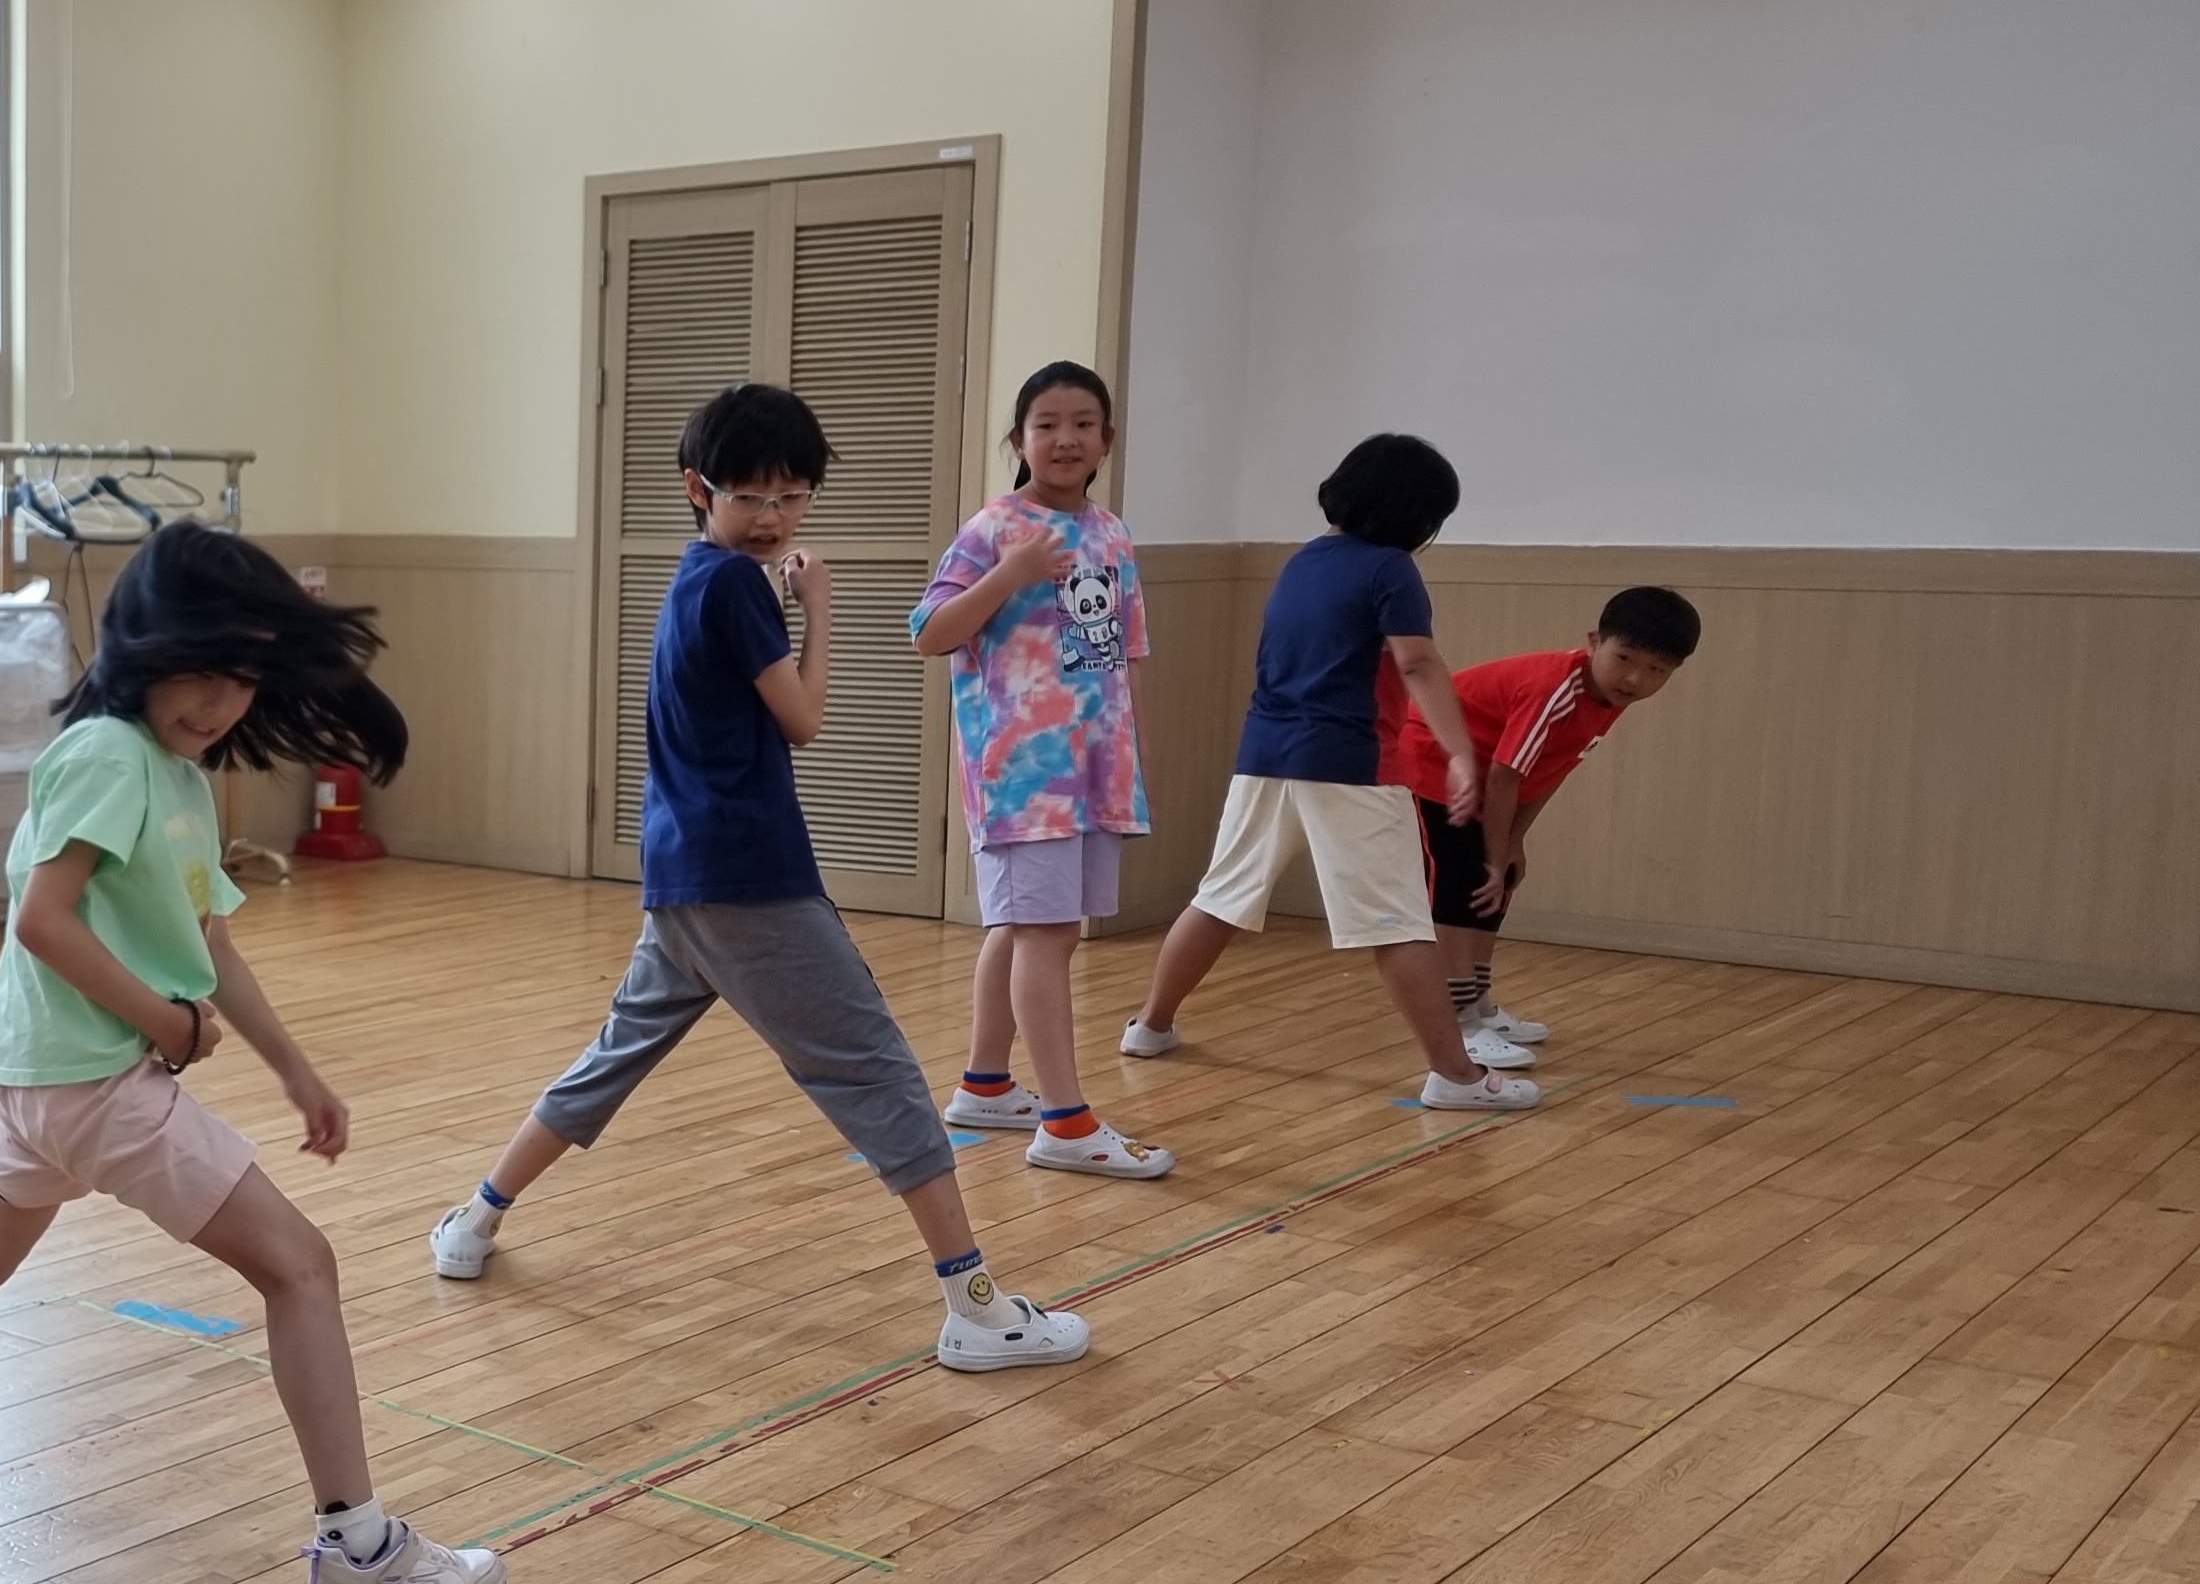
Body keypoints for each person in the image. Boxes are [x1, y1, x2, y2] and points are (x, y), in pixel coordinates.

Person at [0, 522, 509, 1584]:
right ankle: (358, 1550)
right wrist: (165, 1024)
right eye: (202, 669)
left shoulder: (174, 774)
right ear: (144, 645)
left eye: (245, 678)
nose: (221, 701)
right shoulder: (106, 753)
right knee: (302, 1269)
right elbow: (41, 920)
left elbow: (207, 942)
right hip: (95, 1086)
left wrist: (295, 1071)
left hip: (45, 1084)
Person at [431, 383, 1087, 1374]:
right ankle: (978, 1309)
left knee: (613, 1055)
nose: (772, 517)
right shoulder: (739, 587)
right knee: (877, 1073)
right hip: (749, 881)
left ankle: (474, 1220)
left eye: (791, 496)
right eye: (749, 496)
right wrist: (818, 609)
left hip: (683, 877)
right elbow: (804, 719)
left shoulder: (692, 577)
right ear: (698, 489)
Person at [1121, 433, 1538, 1111]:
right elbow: (1417, 662)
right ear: (1417, 515)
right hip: (1351, 765)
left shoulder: (1302, 563)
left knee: (1220, 897)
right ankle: (1456, 1077)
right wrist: (1461, 751)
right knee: (1398, 923)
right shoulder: (1392, 569)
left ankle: (1150, 1025)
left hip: (1265, 757)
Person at [913, 359, 1170, 1178]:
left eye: (1083, 424)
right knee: (1046, 935)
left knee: (1024, 929)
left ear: (1107, 439)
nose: (1065, 439)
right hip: (1022, 775)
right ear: (1018, 439)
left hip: (1094, 773)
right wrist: (1010, 574)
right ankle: (1065, 1122)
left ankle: (986, 1085)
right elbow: (929, 632)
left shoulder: (1111, 532)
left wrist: (1135, 759)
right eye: (1047, 424)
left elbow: (1122, 654)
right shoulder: (996, 527)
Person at [1389, 586, 1702, 1065]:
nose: (1636, 678)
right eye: (1624, 658)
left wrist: (1513, 844)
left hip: (1489, 780)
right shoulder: (1556, 689)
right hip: (1434, 765)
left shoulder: (1609, 698)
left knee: (1499, 883)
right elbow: (1505, 776)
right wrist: (1494, 854)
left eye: (1658, 670)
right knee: (1459, 888)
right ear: (1595, 642)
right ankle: (1460, 1021)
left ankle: (1479, 1005)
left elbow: (1550, 770)